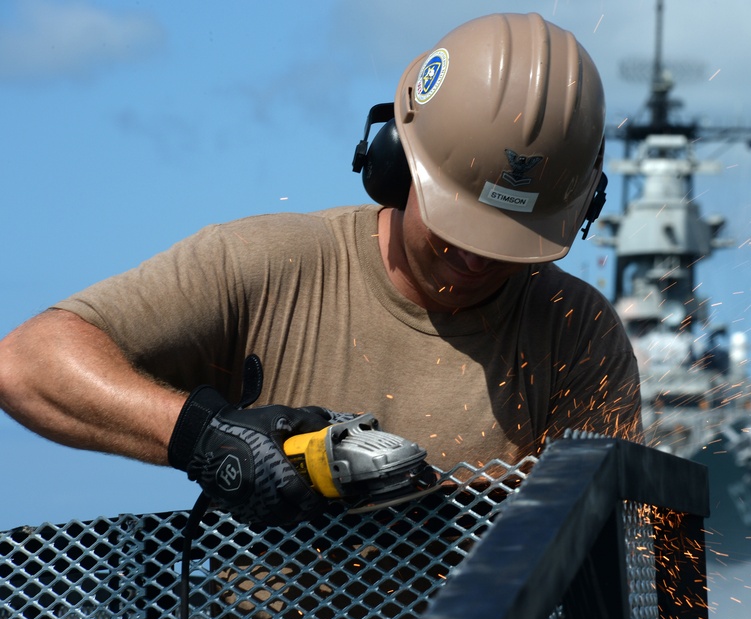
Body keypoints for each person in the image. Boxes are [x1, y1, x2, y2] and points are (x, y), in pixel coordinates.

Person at [0, 12, 641, 526]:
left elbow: (618, 548)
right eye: (457, 224)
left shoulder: (574, 335)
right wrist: (209, 437)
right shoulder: (267, 268)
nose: (476, 257)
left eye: (507, 242)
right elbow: (27, 365)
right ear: (395, 161)